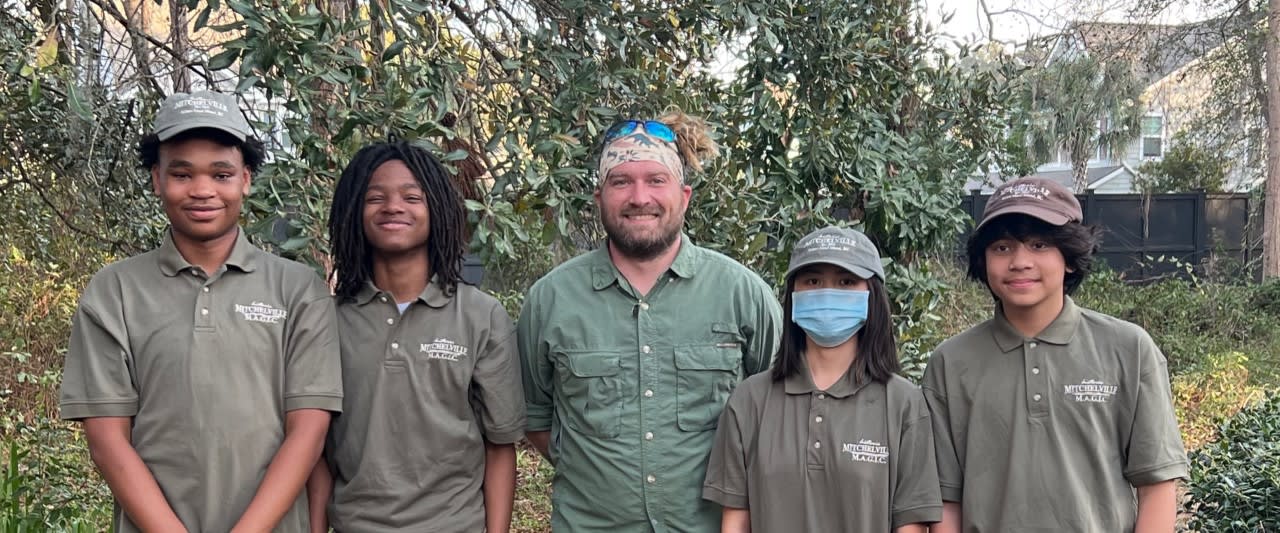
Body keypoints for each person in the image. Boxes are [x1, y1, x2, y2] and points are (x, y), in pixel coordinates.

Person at [59, 90, 342, 533]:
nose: (203, 190)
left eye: (221, 173)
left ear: (246, 179)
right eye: (182, 173)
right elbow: (108, 441)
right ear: (157, 179)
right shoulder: (114, 292)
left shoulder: (298, 290)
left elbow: (308, 433)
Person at [517, 112, 783, 532]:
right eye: (621, 181)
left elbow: (780, 414)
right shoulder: (550, 300)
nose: (639, 197)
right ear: (599, 197)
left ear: (685, 195)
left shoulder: (744, 295)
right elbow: (537, 419)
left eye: (656, 180)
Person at [923, 177, 1188, 532]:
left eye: (1039, 244)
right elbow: (946, 499)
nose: (1020, 261)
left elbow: (1157, 485)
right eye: (1001, 248)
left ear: (1069, 258)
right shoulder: (950, 363)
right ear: (982, 260)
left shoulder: (1129, 349)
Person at [311, 141, 524, 532]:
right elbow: (317, 451)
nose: (393, 206)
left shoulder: (480, 316)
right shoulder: (327, 319)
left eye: (412, 197)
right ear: (353, 211)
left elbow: (500, 446)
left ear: (438, 211)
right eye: (376, 197)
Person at [703, 226, 942, 533]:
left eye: (846, 282)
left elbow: (911, 524)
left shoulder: (904, 403)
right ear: (793, 294)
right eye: (813, 281)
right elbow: (735, 521)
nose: (828, 292)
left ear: (873, 295)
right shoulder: (749, 400)